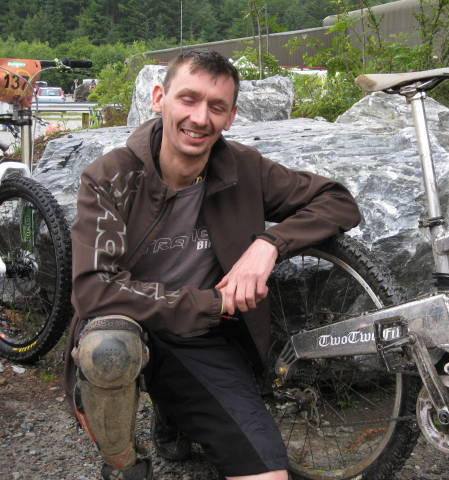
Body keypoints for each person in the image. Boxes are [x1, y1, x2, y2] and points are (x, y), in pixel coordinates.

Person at [63, 49, 361, 480]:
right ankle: (124, 464)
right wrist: (213, 304)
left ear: (231, 116)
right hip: (130, 324)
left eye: (217, 106)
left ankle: (174, 412)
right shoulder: (110, 177)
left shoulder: (244, 168)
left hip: (198, 342)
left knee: (268, 476)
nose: (200, 118)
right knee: (109, 347)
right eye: (188, 99)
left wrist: (269, 244)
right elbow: (95, 290)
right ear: (159, 98)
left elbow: (337, 200)